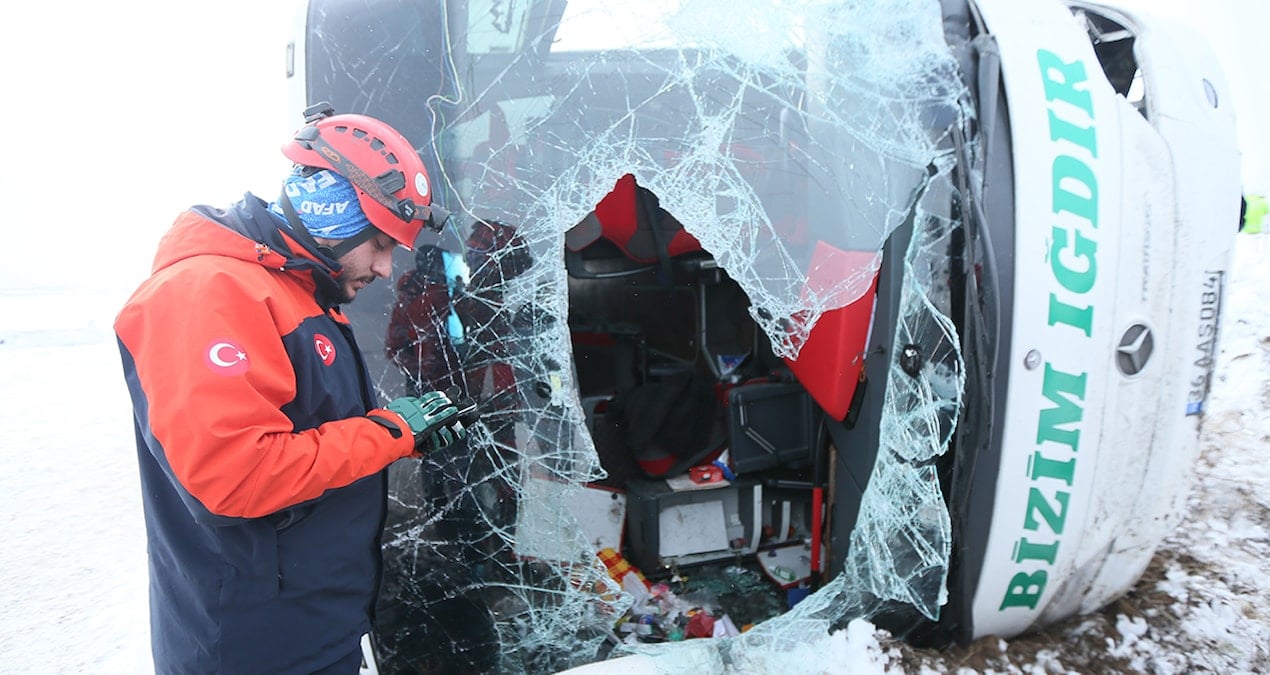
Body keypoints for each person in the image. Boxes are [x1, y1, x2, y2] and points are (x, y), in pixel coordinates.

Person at [114, 104, 472, 674]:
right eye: (380, 243)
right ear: (334, 211)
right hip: (254, 644)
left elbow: (312, 426)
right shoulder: (207, 292)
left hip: (309, 622)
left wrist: (408, 435)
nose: (385, 269)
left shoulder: (296, 289)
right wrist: (387, 433)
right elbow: (236, 476)